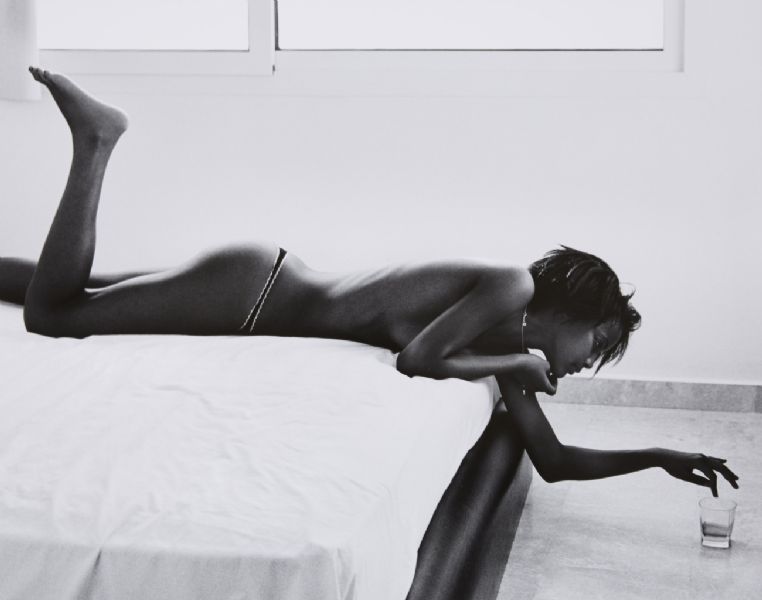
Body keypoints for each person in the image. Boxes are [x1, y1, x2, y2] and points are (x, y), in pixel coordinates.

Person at [1, 67, 739, 497]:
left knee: (65, 285)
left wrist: (658, 457)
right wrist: (515, 363)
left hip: (256, 284)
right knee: (56, 314)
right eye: (596, 344)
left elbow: (553, 463)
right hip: (255, 295)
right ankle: (97, 140)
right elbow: (418, 359)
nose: (586, 362)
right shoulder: (511, 287)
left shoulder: (503, 346)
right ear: (572, 308)